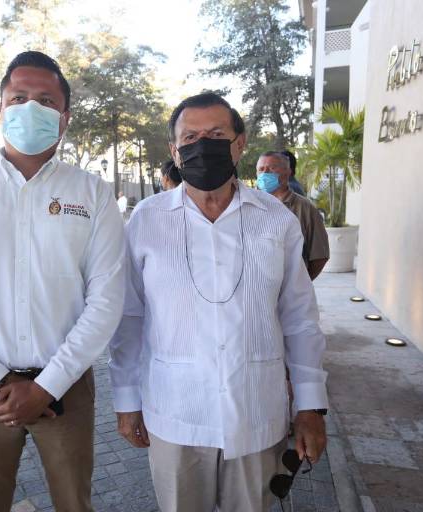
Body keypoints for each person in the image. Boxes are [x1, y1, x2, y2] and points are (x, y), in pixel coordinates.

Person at [0, 51, 125, 512]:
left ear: (65, 117)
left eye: (46, 101)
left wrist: (47, 385)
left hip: (66, 388)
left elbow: (107, 298)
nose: (31, 107)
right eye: (19, 97)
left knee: (76, 504)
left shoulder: (91, 193)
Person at [109, 92, 329, 512]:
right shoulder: (147, 221)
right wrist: (126, 400)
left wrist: (310, 405)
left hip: (256, 413)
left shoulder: (275, 220)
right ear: (174, 150)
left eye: (216, 134)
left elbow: (300, 319)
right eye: (190, 137)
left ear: (239, 143)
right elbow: (130, 317)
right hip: (175, 411)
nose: (202, 146)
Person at [256, 151, 329, 280]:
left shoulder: (305, 209)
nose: (265, 173)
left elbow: (320, 256)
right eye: (261, 169)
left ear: (287, 172)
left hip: (290, 293)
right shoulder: (249, 205)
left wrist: (298, 285)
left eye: (272, 168)